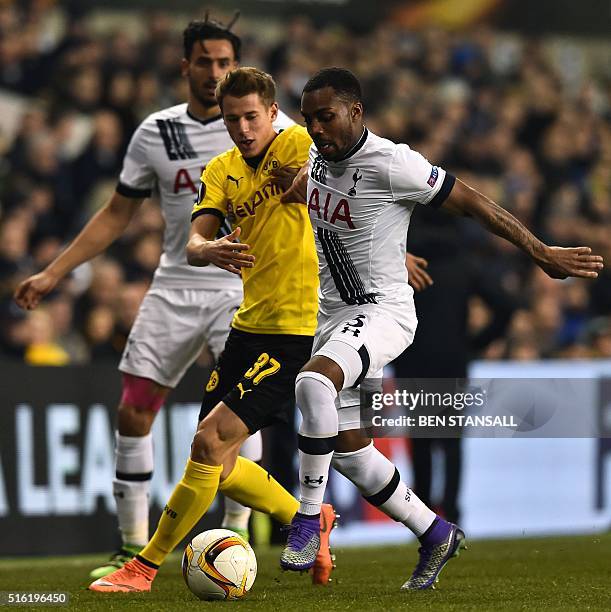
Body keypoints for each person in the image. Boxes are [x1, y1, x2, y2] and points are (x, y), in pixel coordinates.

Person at [278, 67, 603, 590]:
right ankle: (434, 532)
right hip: (333, 318)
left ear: (355, 112)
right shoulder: (317, 158)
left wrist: (540, 250)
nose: (315, 128)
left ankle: (308, 521)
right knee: (350, 451)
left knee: (312, 384)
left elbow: (473, 202)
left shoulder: (392, 161)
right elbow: (310, 196)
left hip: (383, 313)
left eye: (326, 117)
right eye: (309, 119)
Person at [13, 18, 292, 579]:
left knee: (237, 418)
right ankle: (129, 542)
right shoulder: (155, 133)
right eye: (206, 61)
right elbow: (117, 212)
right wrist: (54, 272)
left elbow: (328, 186)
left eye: (225, 63)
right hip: (176, 281)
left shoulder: (271, 127)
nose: (216, 73)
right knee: (134, 408)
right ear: (184, 65)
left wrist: (380, 253)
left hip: (245, 286)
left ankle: (235, 537)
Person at [87, 66, 337, 594]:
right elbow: (193, 242)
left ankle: (144, 565)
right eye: (232, 119)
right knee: (218, 465)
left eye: (252, 116)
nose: (243, 128)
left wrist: (301, 185)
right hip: (246, 326)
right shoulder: (221, 169)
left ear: (273, 113)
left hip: (297, 330)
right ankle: (308, 519)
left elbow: (324, 176)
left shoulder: (295, 143)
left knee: (207, 441)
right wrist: (210, 249)